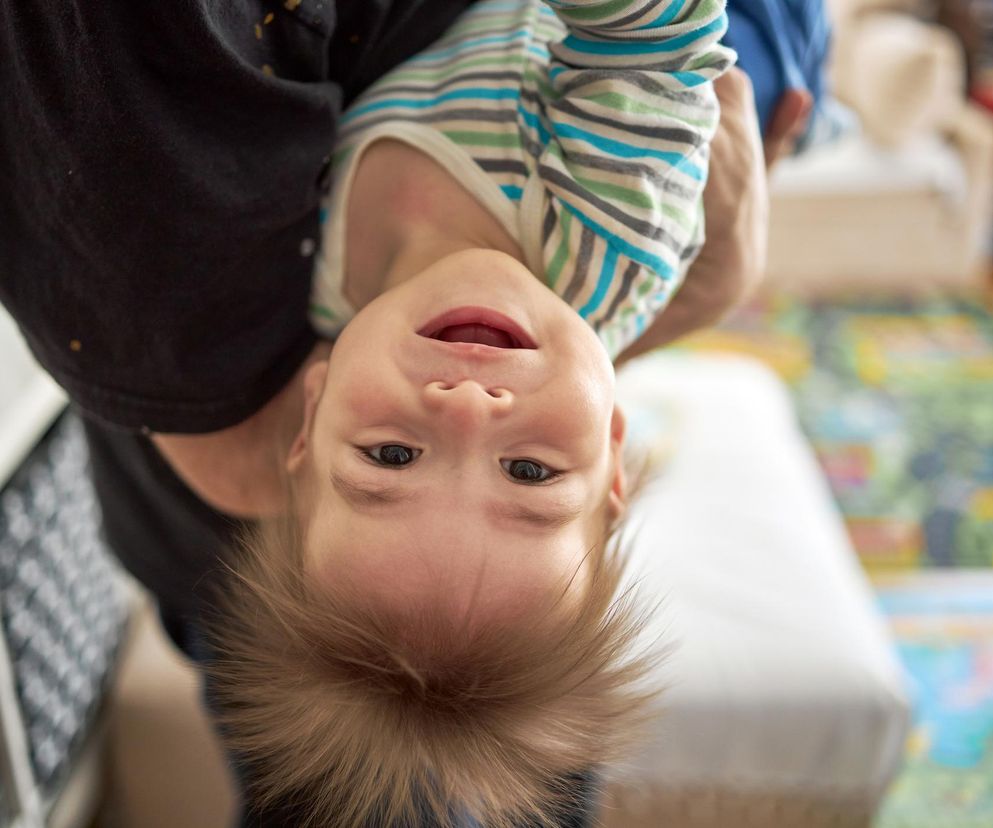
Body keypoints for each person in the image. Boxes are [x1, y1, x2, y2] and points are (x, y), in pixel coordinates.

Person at [0, 0, 820, 825]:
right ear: (613, 452)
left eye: (391, 457)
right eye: (528, 473)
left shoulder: (324, 286)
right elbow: (652, 38)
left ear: (310, 406)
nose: (466, 408)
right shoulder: (606, 240)